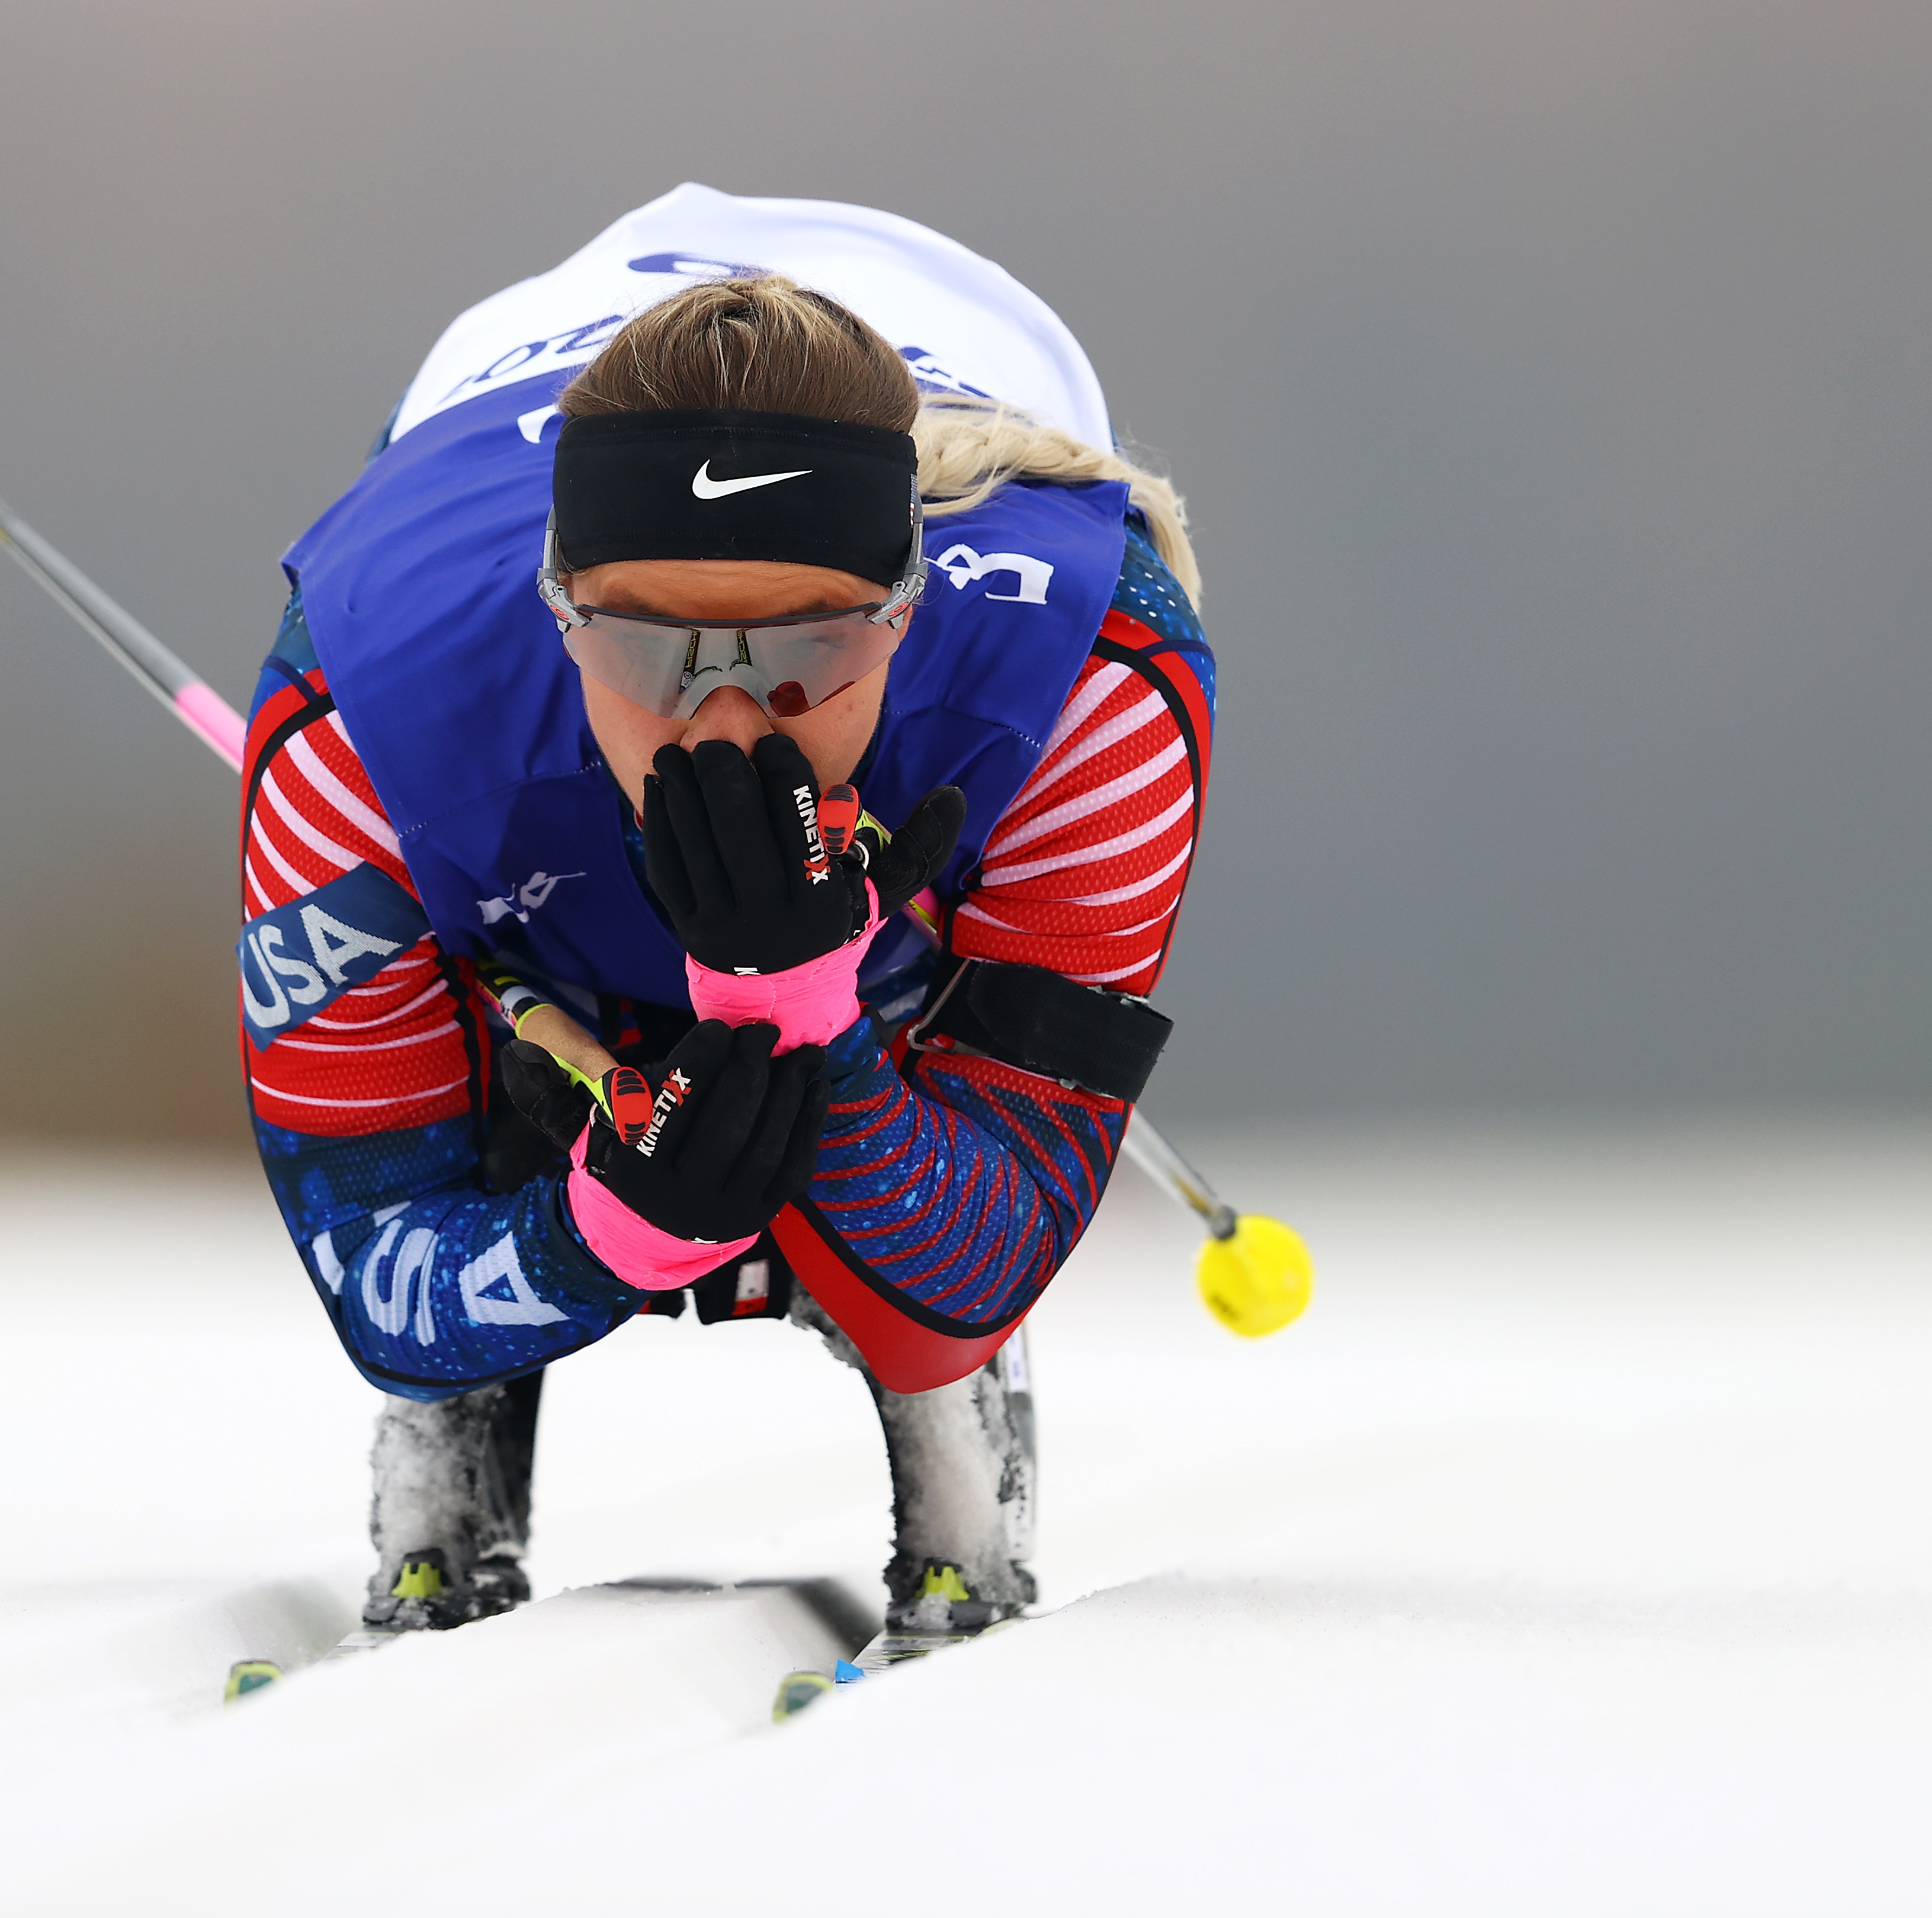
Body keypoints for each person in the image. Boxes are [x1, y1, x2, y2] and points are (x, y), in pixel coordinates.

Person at [240, 185, 1214, 1639]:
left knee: (909, 1208)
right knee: (503, 977)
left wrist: (813, 1018)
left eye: (809, 647)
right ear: (560, 605)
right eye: (649, 648)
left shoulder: (1088, 679)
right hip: (487, 392)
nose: (726, 725)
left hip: (982, 333)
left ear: (909, 603)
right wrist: (607, 1233)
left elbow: (982, 1260)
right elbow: (378, 1277)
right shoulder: (361, 719)